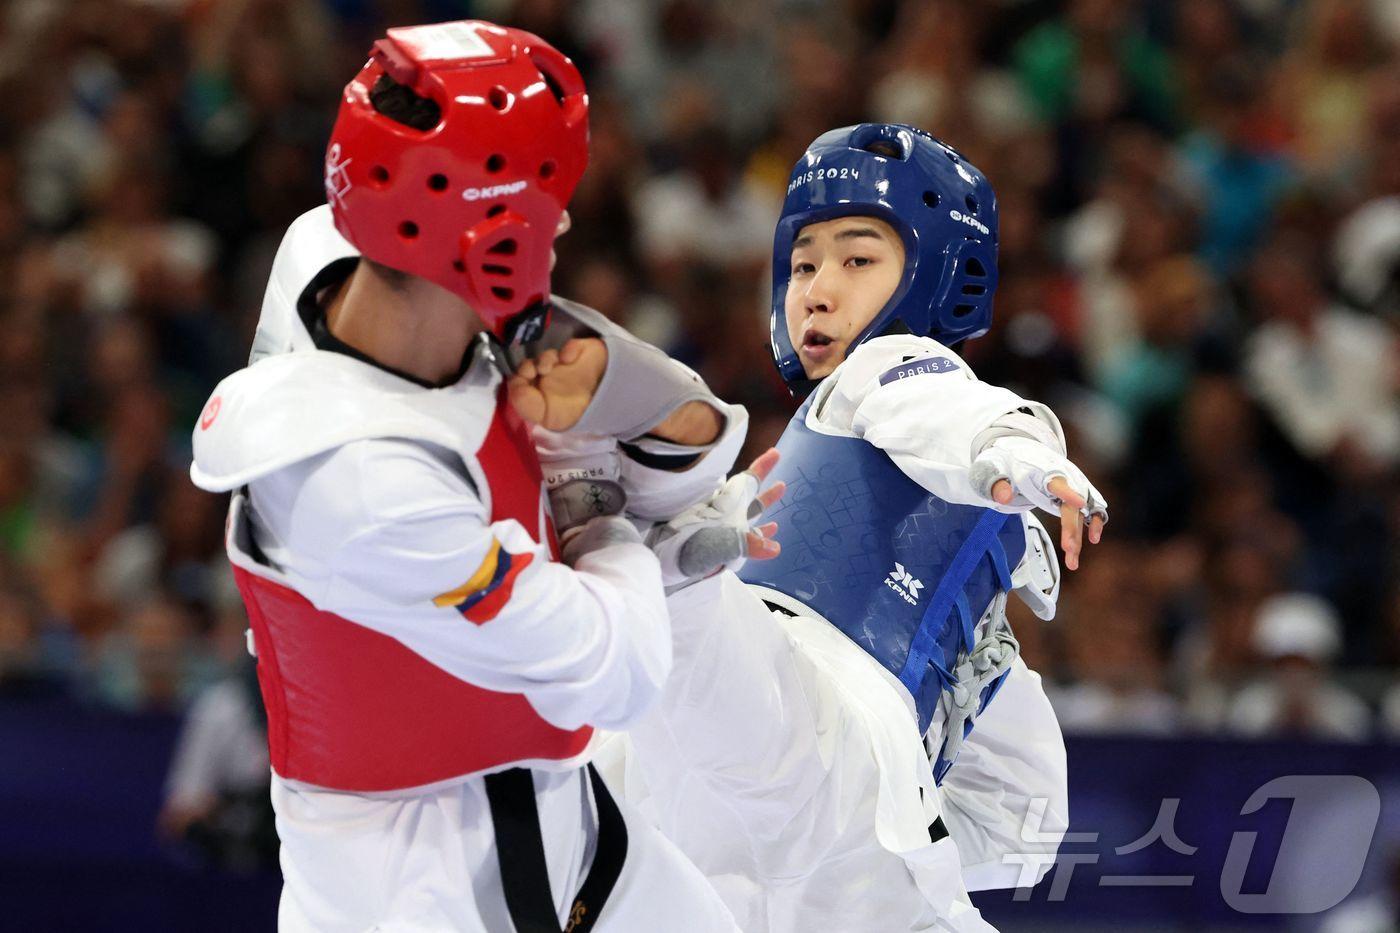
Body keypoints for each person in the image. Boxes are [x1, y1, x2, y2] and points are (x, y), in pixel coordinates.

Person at [189, 21, 754, 932]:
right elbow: (619, 672)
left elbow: (695, 443)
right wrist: (590, 496)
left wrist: (619, 407)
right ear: (490, 236)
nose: (563, 222)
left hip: (559, 809)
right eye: (548, 201)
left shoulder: (344, 261)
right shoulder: (363, 487)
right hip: (429, 875)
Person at [588, 124, 1108, 932]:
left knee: (689, 663)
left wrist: (1023, 456)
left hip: (802, 778)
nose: (817, 291)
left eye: (857, 259)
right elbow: (1026, 831)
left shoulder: (890, 369)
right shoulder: (870, 417)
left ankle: (652, 553)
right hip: (811, 811)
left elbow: (945, 408)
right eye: (803, 265)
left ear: (937, 273)